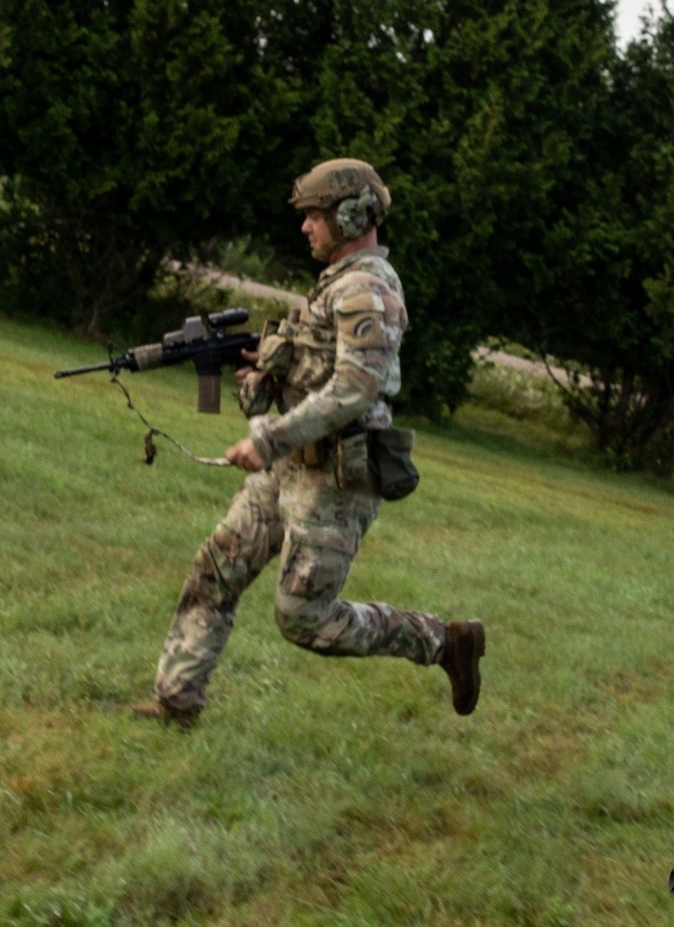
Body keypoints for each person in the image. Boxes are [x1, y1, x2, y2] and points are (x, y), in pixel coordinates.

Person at [133, 158, 485, 727]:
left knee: (304, 619)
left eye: (315, 215)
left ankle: (445, 642)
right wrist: (266, 372)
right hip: (289, 467)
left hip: (336, 480)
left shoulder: (368, 289)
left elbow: (354, 388)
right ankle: (176, 705)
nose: (305, 227)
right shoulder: (334, 284)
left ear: (352, 214)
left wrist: (268, 438)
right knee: (216, 568)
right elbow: (320, 371)